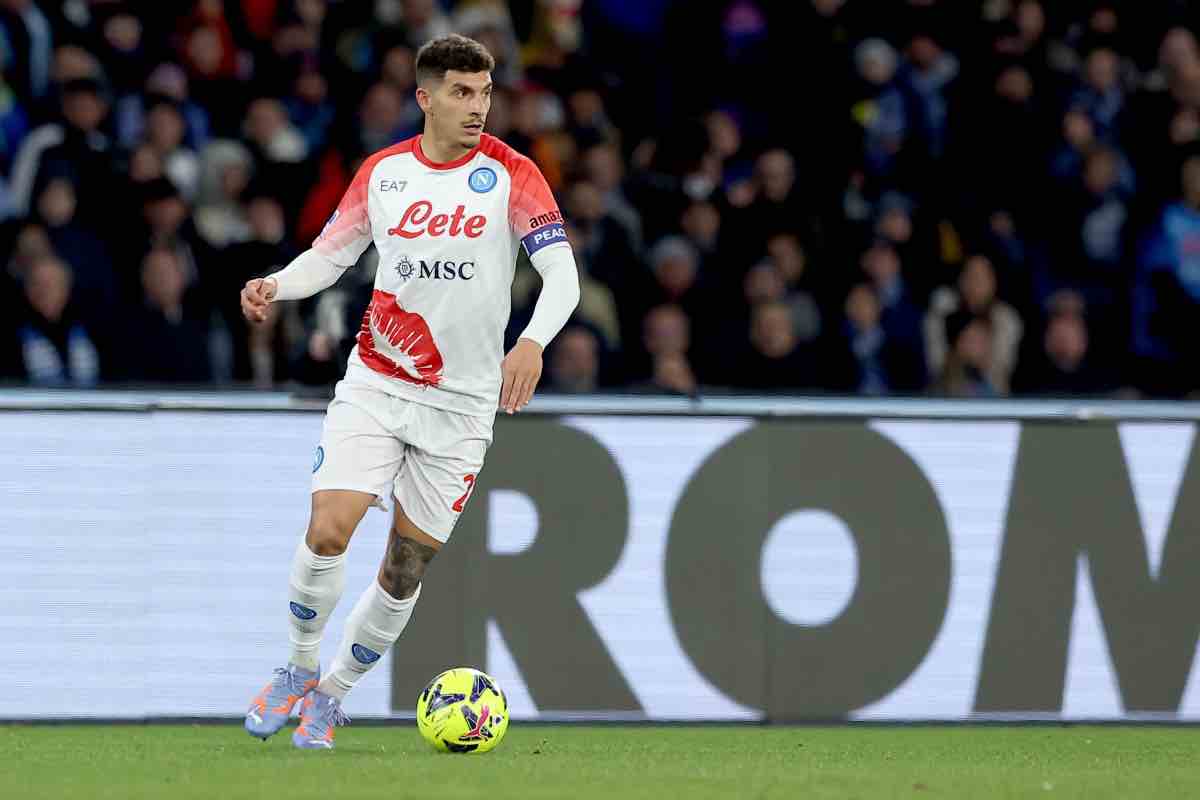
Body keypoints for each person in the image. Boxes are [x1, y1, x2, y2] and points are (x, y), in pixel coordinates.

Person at [238, 34, 579, 750]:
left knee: (403, 569)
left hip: (462, 407)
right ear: (425, 98)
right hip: (378, 379)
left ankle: (331, 697)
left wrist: (532, 342)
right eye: (461, 92)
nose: (476, 108)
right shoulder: (384, 173)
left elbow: (562, 277)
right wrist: (277, 284)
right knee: (331, 526)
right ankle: (298, 669)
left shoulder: (513, 175)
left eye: (485, 93)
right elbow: (330, 257)